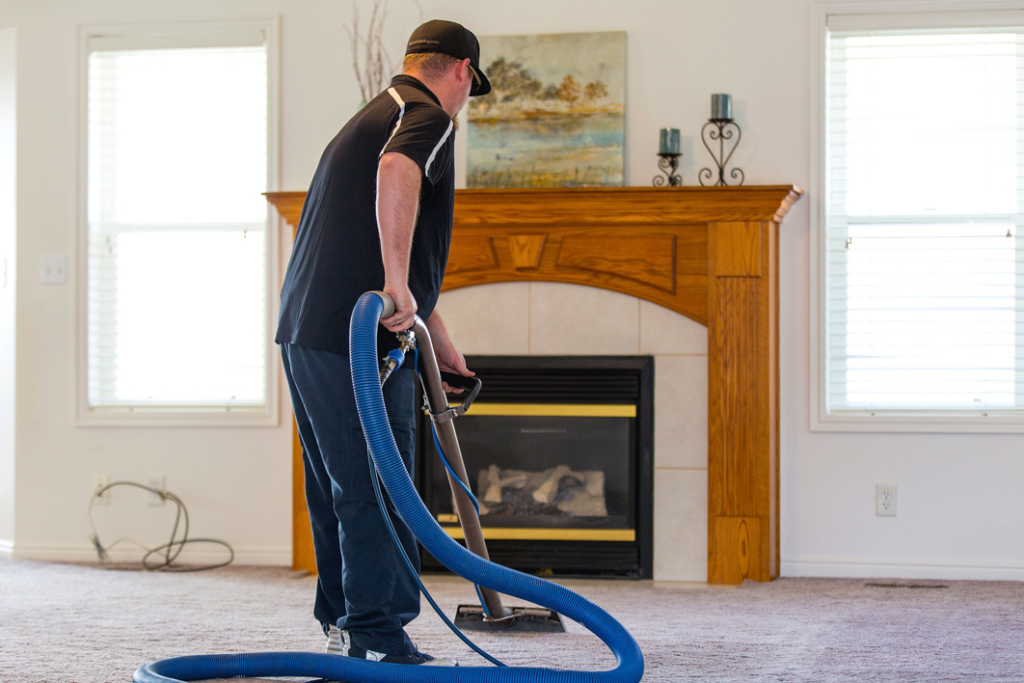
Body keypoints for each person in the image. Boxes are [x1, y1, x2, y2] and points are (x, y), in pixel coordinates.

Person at [275, 19, 491, 667]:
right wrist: (396, 285)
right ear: (461, 71)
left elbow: (391, 239)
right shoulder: (425, 117)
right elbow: (398, 173)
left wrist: (438, 339)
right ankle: (377, 635)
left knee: (339, 486)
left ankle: (345, 627)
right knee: (378, 485)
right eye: (469, 89)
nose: (464, 102)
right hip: (356, 334)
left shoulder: (372, 114)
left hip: (310, 329)